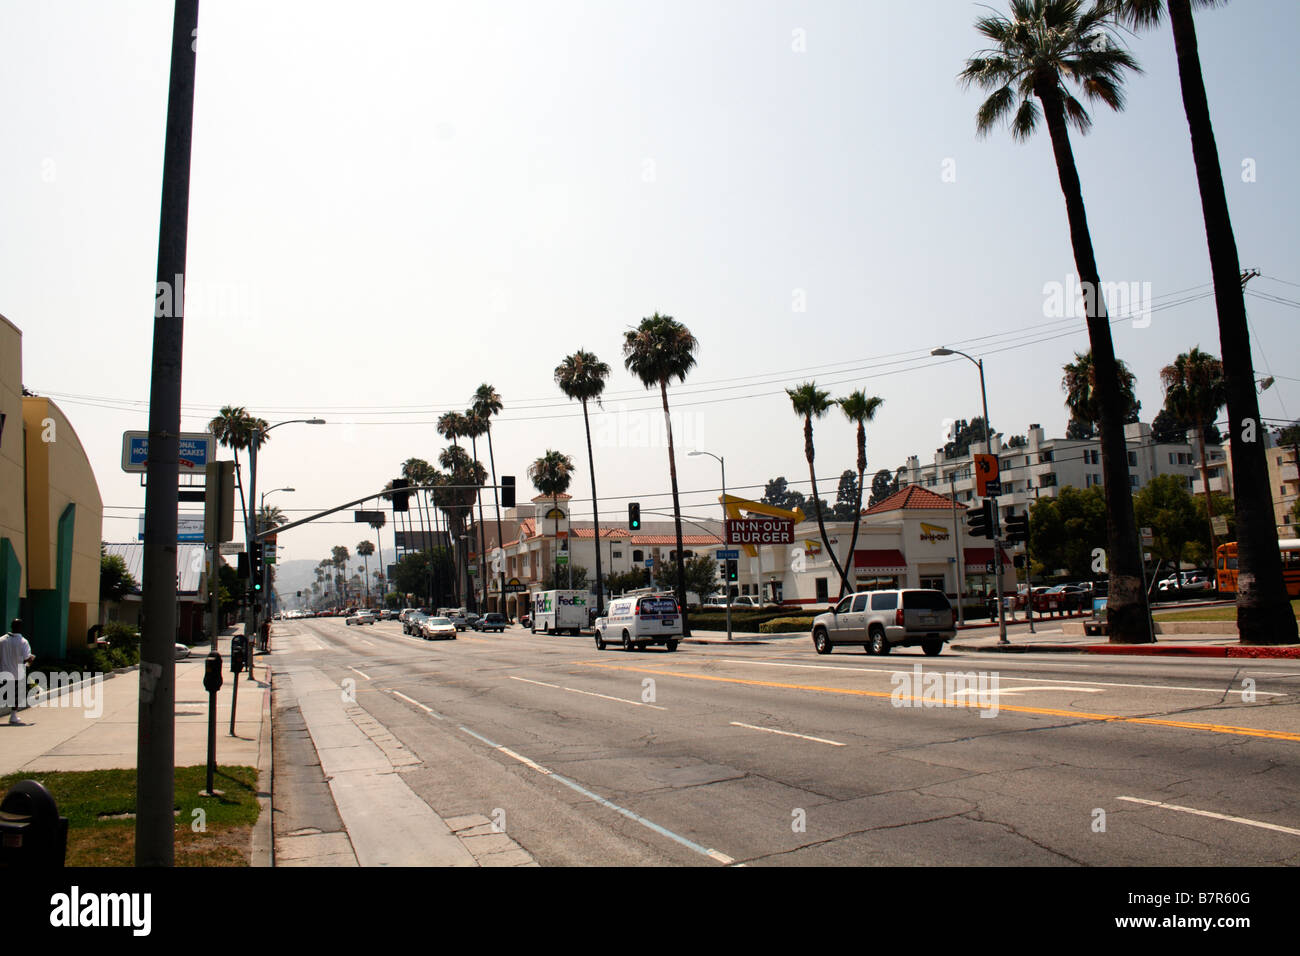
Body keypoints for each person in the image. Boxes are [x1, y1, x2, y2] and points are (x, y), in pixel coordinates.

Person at [1, 618, 36, 726]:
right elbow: (26, 658)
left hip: (2, 672)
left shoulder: (1, 640)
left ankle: (13, 716)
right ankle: (13, 716)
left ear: (11, 626)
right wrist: (31, 659)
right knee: (15, 697)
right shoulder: (23, 642)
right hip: (17, 673)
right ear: (21, 627)